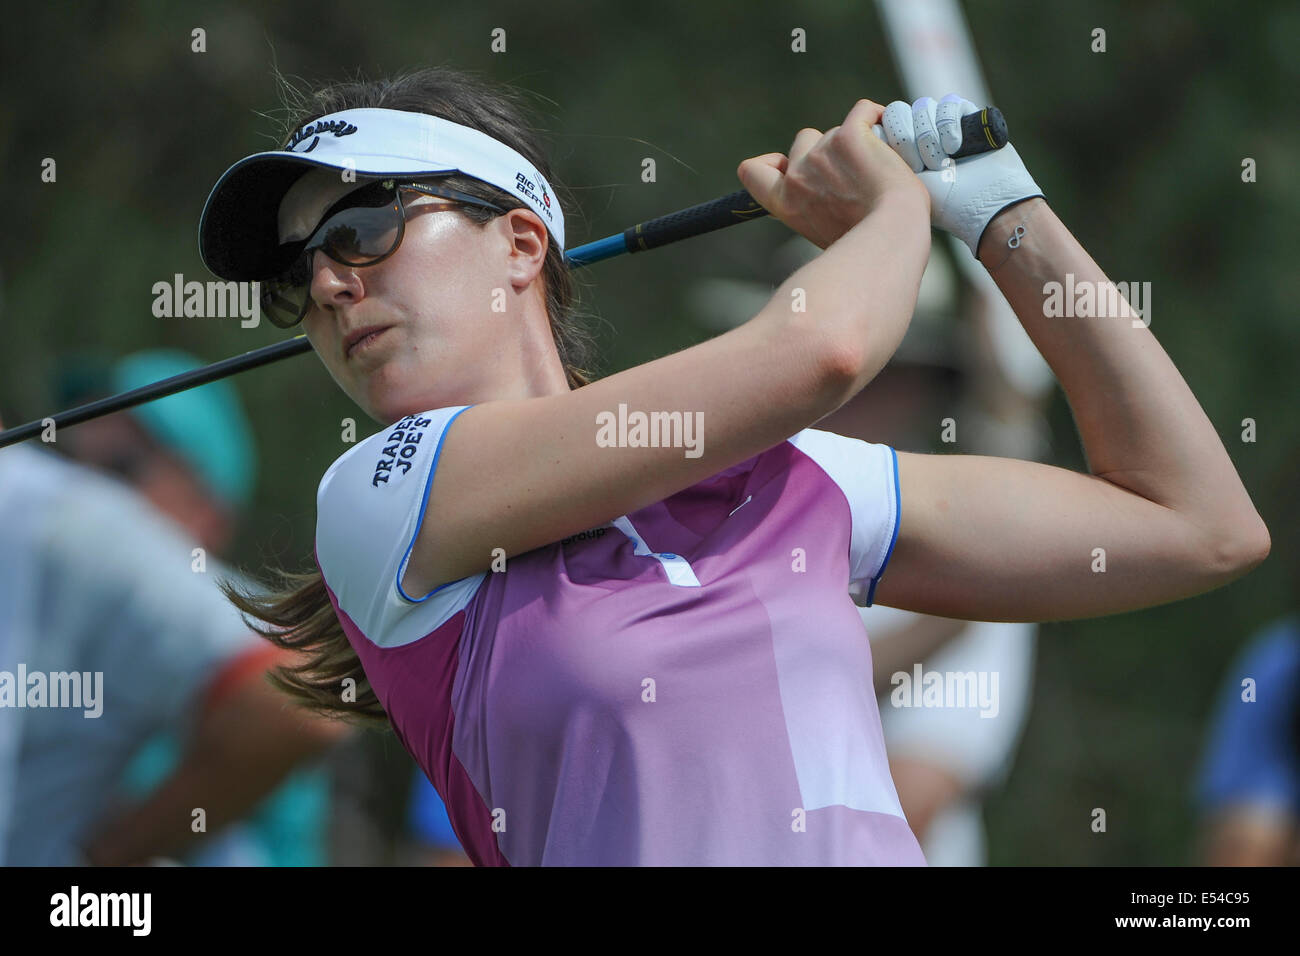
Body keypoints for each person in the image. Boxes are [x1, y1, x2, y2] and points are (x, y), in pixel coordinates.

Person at [204, 67, 1268, 865]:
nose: (331, 286)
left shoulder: (798, 481)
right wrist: (896, 209)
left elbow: (1196, 524)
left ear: (522, 244)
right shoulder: (378, 498)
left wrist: (999, 211)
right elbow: (824, 350)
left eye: (364, 227)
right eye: (297, 276)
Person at [53, 350, 344, 867]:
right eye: (71, 469)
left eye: (120, 471)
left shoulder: (243, 623)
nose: (84, 500)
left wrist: (106, 856)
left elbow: (303, 711)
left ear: (207, 503)